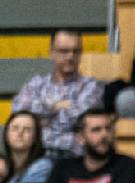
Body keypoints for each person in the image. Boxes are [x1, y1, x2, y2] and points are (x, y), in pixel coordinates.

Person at [12, 31, 104, 160]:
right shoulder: (36, 84)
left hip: (74, 159)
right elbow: (19, 113)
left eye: (76, 51)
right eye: (64, 51)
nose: (70, 56)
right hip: (38, 158)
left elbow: (81, 120)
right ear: (51, 53)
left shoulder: (91, 86)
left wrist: (41, 123)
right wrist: (54, 107)